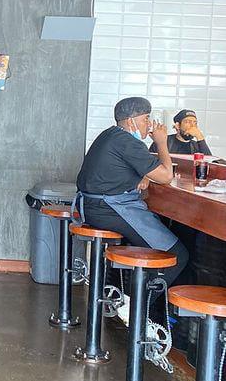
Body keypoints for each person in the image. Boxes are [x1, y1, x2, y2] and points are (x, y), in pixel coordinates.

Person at [76, 96, 188, 287]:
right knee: (176, 255)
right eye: (146, 118)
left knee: (151, 246)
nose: (149, 124)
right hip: (108, 208)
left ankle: (129, 298)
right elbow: (166, 176)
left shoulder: (110, 135)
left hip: (90, 206)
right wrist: (162, 142)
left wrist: (144, 175)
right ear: (130, 121)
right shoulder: (127, 142)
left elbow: (133, 166)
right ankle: (139, 304)